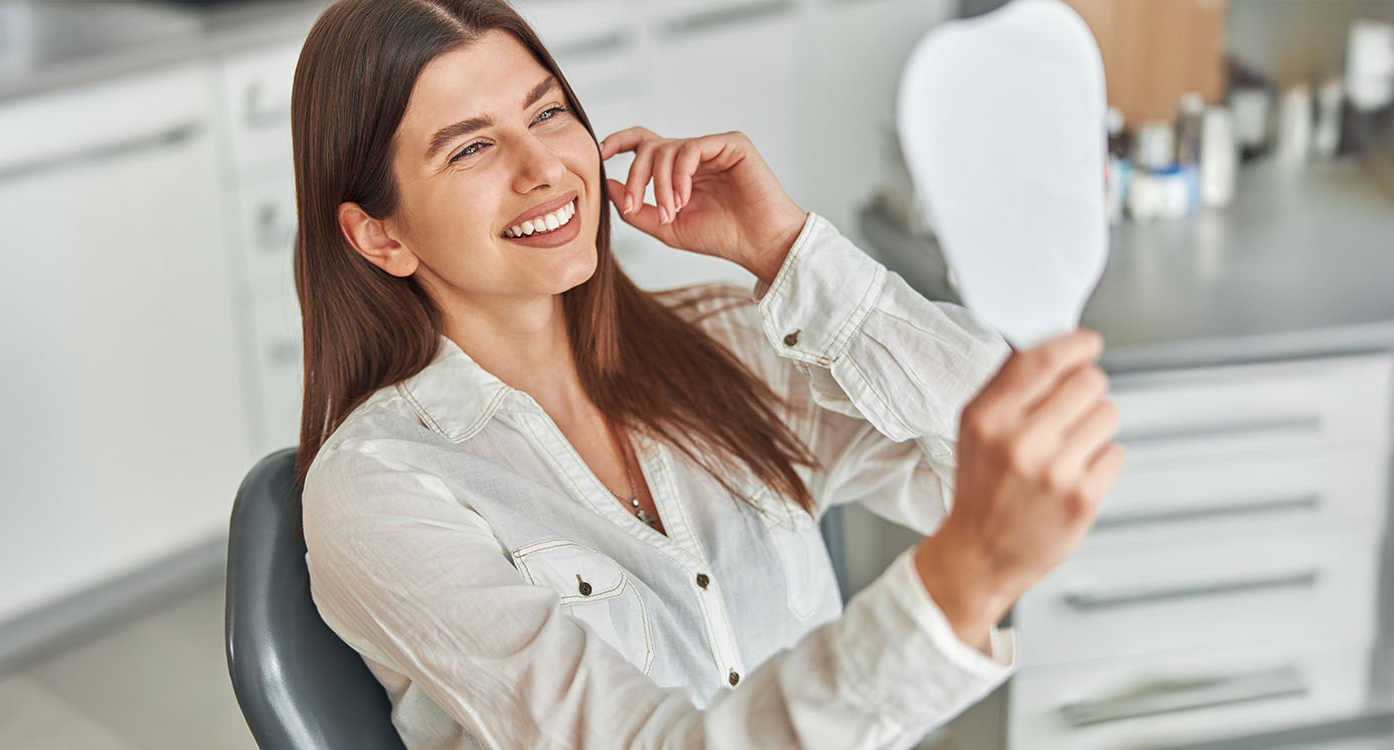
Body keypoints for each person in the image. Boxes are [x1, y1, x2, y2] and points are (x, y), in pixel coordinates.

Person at [290, 0, 1124, 747]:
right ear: (379, 237)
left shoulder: (724, 345)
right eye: (471, 147)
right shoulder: (380, 491)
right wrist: (954, 589)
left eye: (547, 112)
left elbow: (999, 458)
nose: (541, 167)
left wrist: (788, 251)